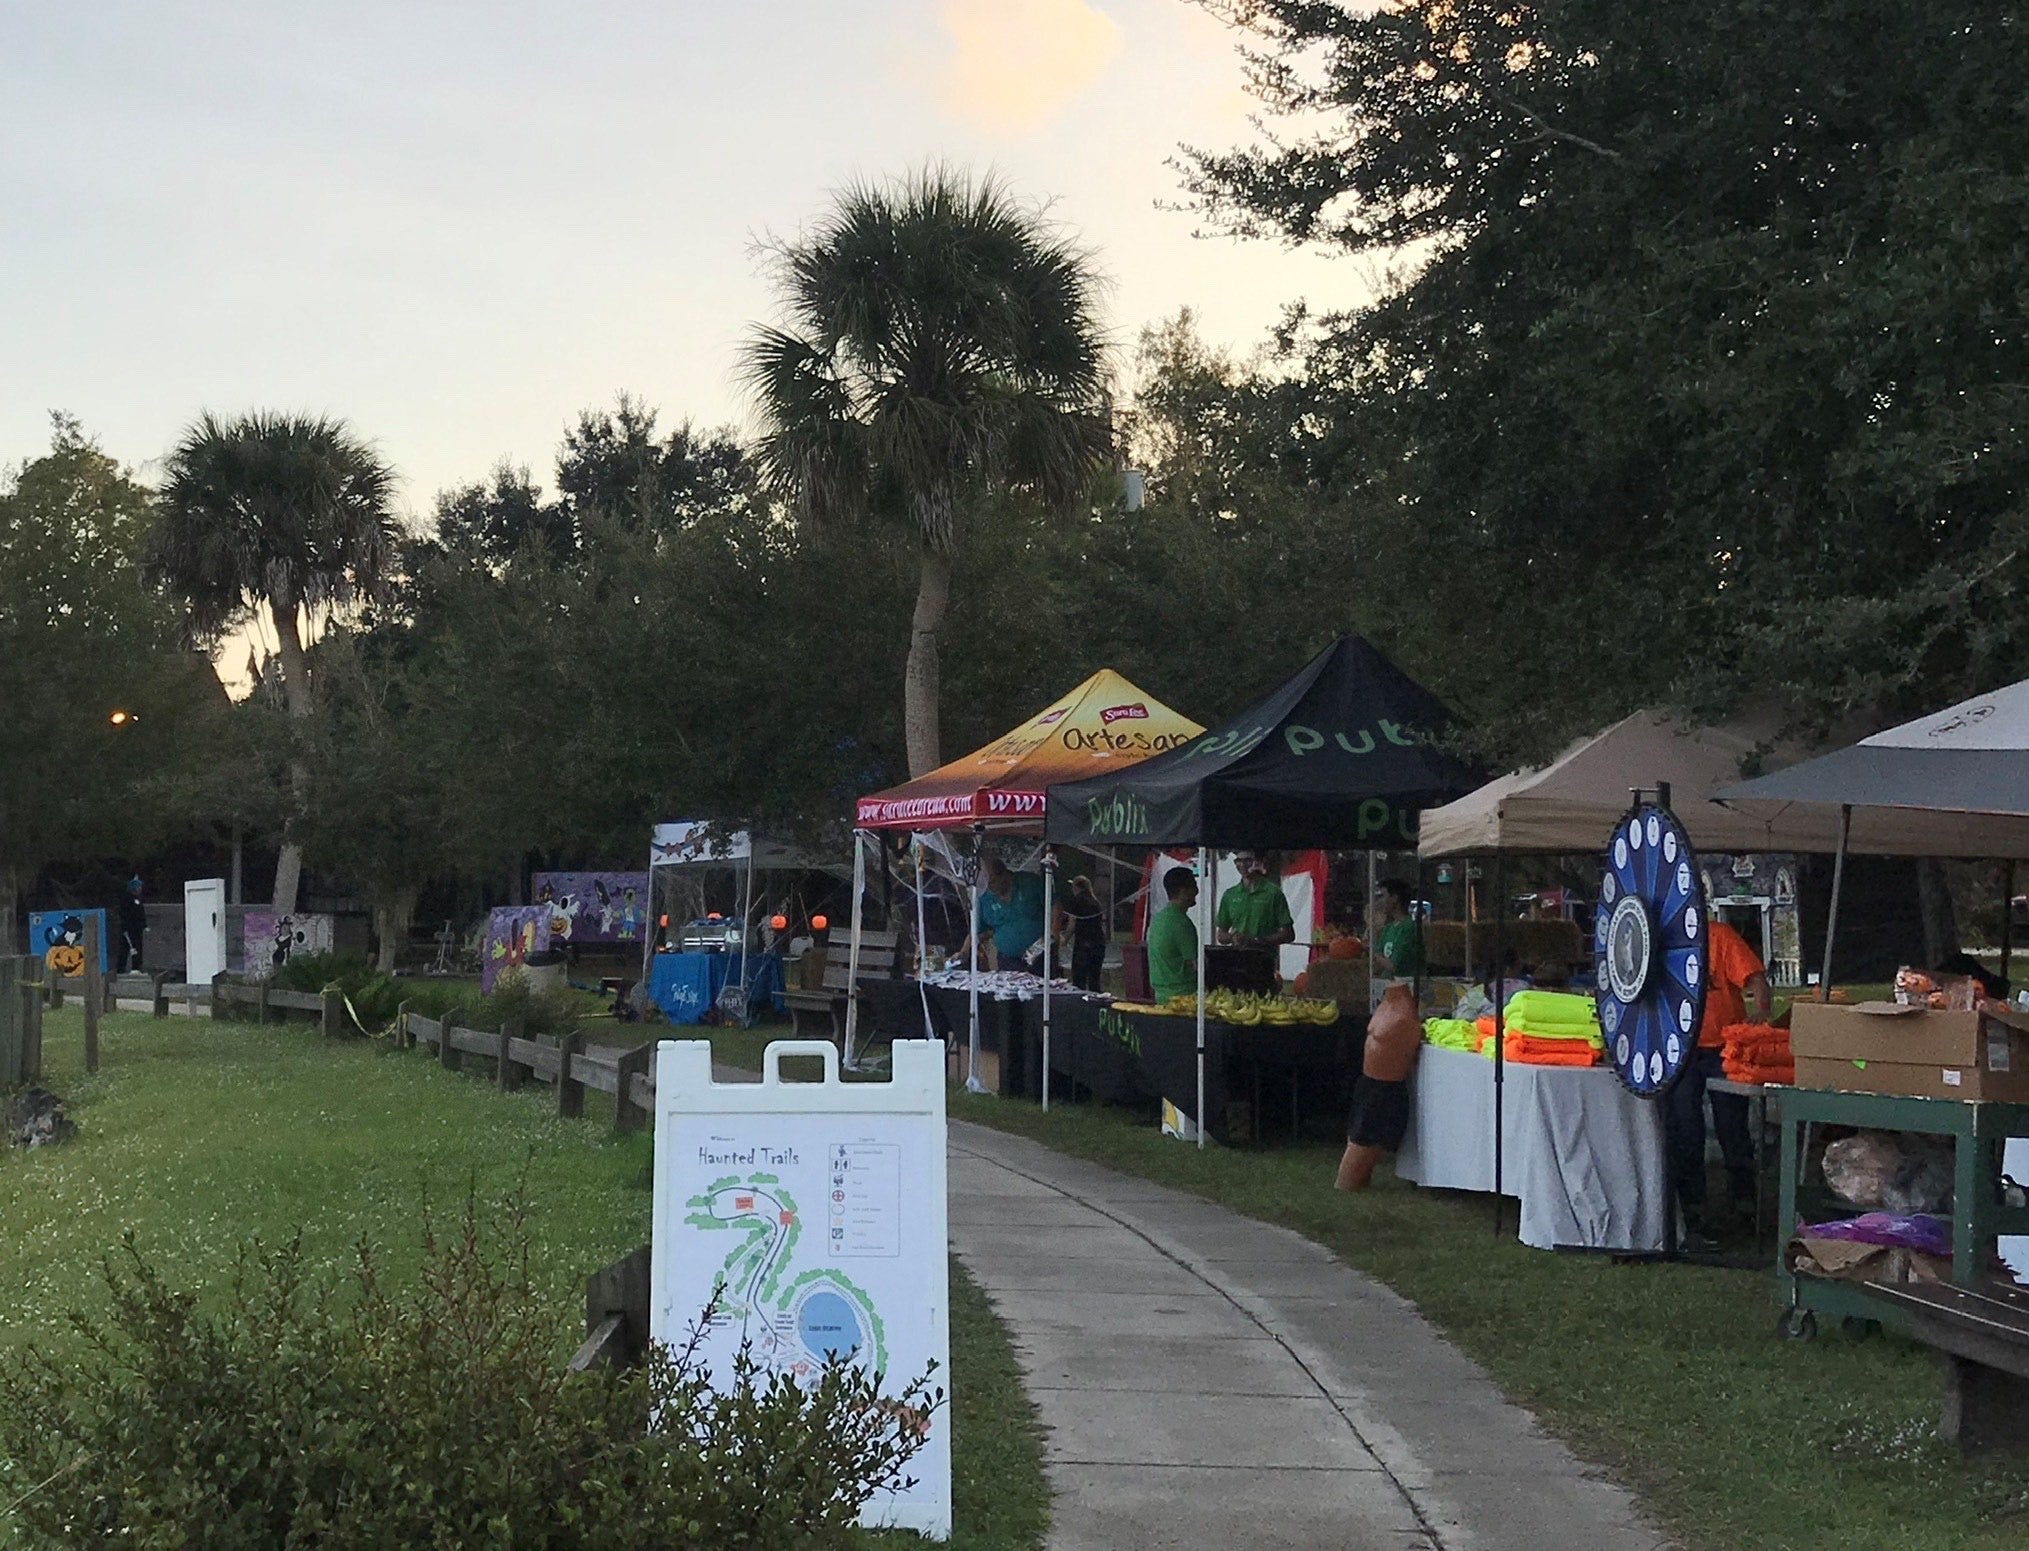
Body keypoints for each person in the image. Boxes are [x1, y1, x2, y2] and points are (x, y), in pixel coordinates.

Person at [1664, 916, 1770, 1235]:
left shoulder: (1719, 935)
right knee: (1684, 1130)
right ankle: (1692, 1209)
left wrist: (1761, 1014)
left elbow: (1755, 979)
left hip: (1723, 1048)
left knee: (1732, 1128)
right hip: (1678, 1049)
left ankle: (1744, 1206)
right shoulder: (1662, 938)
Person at [969, 857, 1046, 968]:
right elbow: (976, 931)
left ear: (1004, 874)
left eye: (992, 882)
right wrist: (964, 951)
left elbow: (1055, 909)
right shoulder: (984, 897)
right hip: (1008, 960)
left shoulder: (1030, 882)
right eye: (986, 884)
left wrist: (1051, 937)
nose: (989, 887)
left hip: (1040, 956)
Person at [1215, 852, 1295, 949]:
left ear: (1259, 863)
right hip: (1237, 957)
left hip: (1265, 957)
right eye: (1238, 861)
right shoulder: (1230, 895)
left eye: (1247, 860)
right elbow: (1221, 936)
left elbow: (1288, 934)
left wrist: (1257, 941)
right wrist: (1233, 938)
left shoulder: (1273, 893)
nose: (1242, 865)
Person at [1145, 865, 1200, 1003]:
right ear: (1183, 892)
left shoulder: (1159, 919)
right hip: (1185, 997)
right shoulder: (1182, 923)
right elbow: (1196, 964)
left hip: (1161, 995)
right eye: (1194, 887)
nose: (1197, 891)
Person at [1054, 873, 1107, 992]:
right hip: (1098, 943)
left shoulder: (1077, 901)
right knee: (1094, 978)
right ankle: (1096, 1002)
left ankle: (1081, 1003)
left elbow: (1072, 923)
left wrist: (1064, 939)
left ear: (1076, 887)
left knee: (1079, 978)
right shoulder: (1095, 902)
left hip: (1084, 944)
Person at [1371, 879, 1425, 979]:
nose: (1380, 902)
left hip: (1405, 985)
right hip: (1388, 985)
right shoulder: (1388, 928)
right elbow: (1377, 966)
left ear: (1394, 898)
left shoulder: (1409, 928)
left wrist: (1375, 955)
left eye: (1383, 896)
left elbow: (1395, 966)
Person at [119, 876, 146, 972]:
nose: (140, 889)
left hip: (137, 929)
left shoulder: (138, 900)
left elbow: (141, 913)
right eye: (138, 887)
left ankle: (136, 967)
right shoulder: (126, 899)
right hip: (128, 929)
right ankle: (121, 969)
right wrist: (124, 928)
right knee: (126, 948)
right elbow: (124, 915)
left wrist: (144, 925)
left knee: (137, 947)